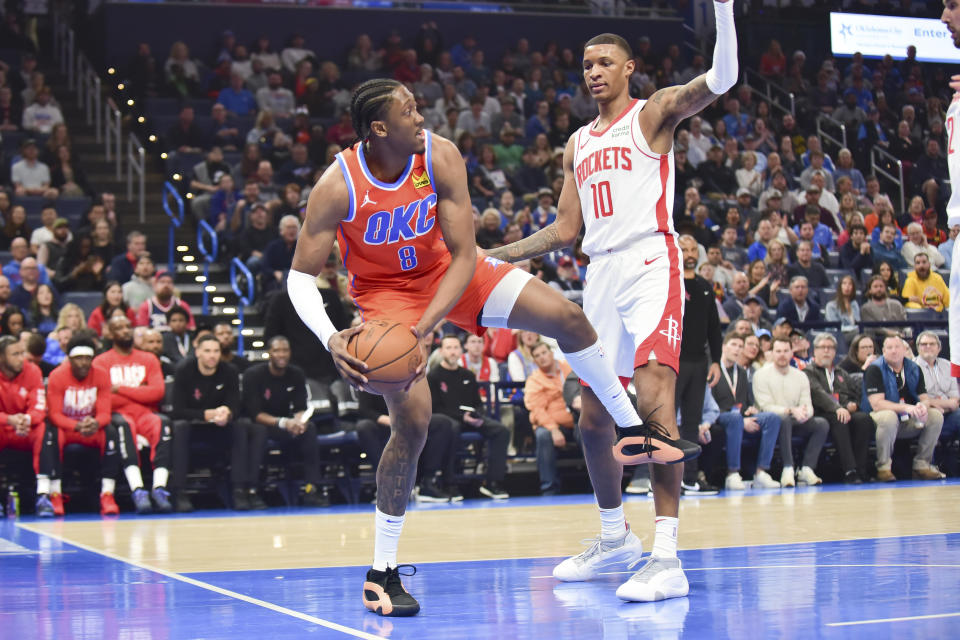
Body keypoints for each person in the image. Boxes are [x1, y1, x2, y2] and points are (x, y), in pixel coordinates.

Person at [288, 77, 675, 616]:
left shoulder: (439, 156)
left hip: (450, 272)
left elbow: (466, 256)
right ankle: (382, 572)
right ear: (379, 128)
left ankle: (630, 423)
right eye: (409, 110)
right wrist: (332, 336)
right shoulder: (338, 184)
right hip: (384, 298)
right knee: (414, 422)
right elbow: (299, 279)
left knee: (568, 317)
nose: (421, 116)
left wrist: (424, 329)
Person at [487, 10, 738, 601]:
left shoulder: (651, 114)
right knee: (594, 415)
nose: (593, 73)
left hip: (651, 262)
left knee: (653, 399)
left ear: (629, 69)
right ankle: (615, 537)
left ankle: (667, 556)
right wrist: (491, 253)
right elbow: (563, 229)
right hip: (600, 273)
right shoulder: (578, 142)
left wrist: (724, 13)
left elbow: (721, 78)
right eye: (586, 66)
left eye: (604, 63)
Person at [169, 334, 263, 512]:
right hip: (194, 426)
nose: (212, 355)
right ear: (197, 353)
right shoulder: (184, 370)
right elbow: (177, 411)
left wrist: (228, 413)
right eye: (207, 351)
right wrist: (206, 414)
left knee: (241, 426)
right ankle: (180, 492)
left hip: (221, 426)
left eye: (216, 351)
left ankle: (239, 490)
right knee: (179, 427)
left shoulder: (230, 371)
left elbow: (235, 405)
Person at [94, 315, 172, 514]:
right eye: (119, 328)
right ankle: (137, 490)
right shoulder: (101, 362)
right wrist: (140, 392)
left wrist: (119, 389)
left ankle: (159, 489)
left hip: (146, 414)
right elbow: (105, 400)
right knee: (123, 426)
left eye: (128, 327)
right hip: (119, 415)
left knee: (162, 423)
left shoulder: (148, 359)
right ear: (111, 334)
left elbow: (157, 393)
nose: (125, 331)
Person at [242, 335, 326, 507]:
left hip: (286, 424)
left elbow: (300, 407)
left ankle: (312, 489)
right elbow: (255, 414)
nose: (281, 354)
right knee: (258, 431)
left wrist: (298, 421)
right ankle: (252, 491)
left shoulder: (296, 373)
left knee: (309, 428)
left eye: (285, 350)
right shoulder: (253, 375)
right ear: (269, 353)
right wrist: (283, 422)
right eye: (276, 350)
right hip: (261, 424)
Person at [44, 335, 123, 516]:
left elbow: (105, 413)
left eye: (88, 358)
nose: (83, 363)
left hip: (91, 428)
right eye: (79, 358)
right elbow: (54, 415)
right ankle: (55, 493)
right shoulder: (57, 376)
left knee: (111, 432)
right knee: (52, 433)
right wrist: (77, 426)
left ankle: (107, 494)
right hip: (68, 429)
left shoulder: (101, 374)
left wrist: (96, 422)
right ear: (70, 359)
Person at [428, 335, 510, 499]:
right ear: (442, 351)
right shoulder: (433, 376)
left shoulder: (468, 375)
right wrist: (462, 417)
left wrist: (477, 415)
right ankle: (450, 484)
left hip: (470, 418)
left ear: (461, 350)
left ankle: (492, 483)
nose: (452, 352)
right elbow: (435, 408)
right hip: (448, 420)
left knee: (501, 431)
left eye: (456, 348)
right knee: (452, 428)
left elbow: (477, 402)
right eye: (449, 348)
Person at [676, 234, 722, 495]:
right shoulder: (668, 282)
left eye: (694, 249)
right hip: (672, 361)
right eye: (685, 249)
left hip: (699, 362)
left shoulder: (705, 286)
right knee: (666, 419)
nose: (690, 254)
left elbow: (714, 328)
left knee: (692, 422)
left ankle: (689, 479)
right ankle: (660, 478)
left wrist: (715, 360)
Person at [863, 334, 945, 481]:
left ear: (904, 350)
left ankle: (922, 465)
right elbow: (877, 404)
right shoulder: (874, 369)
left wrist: (922, 407)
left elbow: (924, 398)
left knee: (936, 415)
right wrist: (906, 408)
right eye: (889, 348)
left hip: (908, 417)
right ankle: (883, 468)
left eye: (897, 347)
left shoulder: (914, 368)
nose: (894, 351)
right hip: (877, 418)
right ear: (883, 351)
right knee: (889, 416)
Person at [752, 337, 830, 487]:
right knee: (783, 419)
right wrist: (789, 410)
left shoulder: (801, 376)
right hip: (772, 421)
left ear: (791, 353)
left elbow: (808, 404)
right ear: (772, 353)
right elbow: (765, 406)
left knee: (822, 424)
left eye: (786, 351)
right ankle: (788, 468)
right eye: (778, 351)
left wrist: (804, 414)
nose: (782, 354)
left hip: (796, 419)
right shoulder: (760, 375)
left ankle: (806, 468)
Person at [709, 332, 781, 490]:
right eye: (733, 345)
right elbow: (709, 404)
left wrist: (750, 410)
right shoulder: (712, 369)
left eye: (740, 346)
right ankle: (732, 474)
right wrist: (742, 420)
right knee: (735, 420)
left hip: (739, 416)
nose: (737, 349)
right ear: (723, 347)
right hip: (718, 415)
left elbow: (745, 401)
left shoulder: (741, 372)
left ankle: (761, 472)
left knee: (772, 418)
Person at [805, 333, 874, 484]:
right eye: (822, 347)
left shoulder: (841, 372)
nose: (826, 351)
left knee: (863, 419)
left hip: (843, 410)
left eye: (830, 348)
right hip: (821, 412)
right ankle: (849, 470)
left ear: (835, 352)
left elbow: (853, 393)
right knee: (840, 419)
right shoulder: (808, 371)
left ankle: (861, 469)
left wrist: (853, 404)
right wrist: (837, 408)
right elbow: (818, 394)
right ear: (814, 351)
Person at [0, 336, 53, 515]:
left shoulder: (32, 371)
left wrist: (26, 420)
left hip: (25, 428)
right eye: (15, 354)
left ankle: (43, 495)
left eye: (22, 353)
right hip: (4, 427)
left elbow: (39, 407)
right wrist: (10, 420)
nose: (21, 358)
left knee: (43, 429)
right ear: (1, 357)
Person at [524, 341, 577, 495]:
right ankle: (549, 488)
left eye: (544, 353)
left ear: (552, 353)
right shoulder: (534, 380)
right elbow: (537, 410)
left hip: (577, 418)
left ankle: (598, 486)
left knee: (592, 430)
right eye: (537, 356)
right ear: (534, 360)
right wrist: (553, 430)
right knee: (543, 435)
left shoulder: (569, 368)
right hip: (553, 424)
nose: (542, 357)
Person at [913, 331, 960, 453]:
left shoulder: (948, 365)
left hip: (950, 413)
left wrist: (945, 405)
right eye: (924, 344)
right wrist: (938, 404)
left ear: (939, 348)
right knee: (933, 416)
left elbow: (955, 398)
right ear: (918, 348)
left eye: (932, 344)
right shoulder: (911, 367)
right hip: (925, 414)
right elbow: (916, 398)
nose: (928, 347)